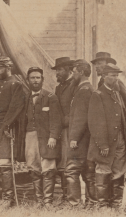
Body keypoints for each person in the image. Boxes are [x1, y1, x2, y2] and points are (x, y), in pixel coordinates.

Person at [87, 64, 126, 208]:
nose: (116, 78)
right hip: (105, 141)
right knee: (103, 170)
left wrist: (124, 138)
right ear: (104, 76)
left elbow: (124, 116)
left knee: (119, 171)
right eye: (112, 75)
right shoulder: (98, 95)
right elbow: (95, 122)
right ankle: (102, 204)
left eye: (117, 75)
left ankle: (116, 203)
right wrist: (103, 144)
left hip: (120, 139)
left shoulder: (117, 93)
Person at [24, 67, 62, 207]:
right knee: (33, 168)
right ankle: (39, 200)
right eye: (32, 78)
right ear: (28, 80)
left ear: (42, 80)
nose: (35, 80)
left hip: (47, 138)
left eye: (38, 78)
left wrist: (53, 137)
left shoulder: (50, 97)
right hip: (30, 137)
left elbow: (56, 120)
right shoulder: (25, 97)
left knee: (48, 168)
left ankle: (48, 201)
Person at [0, 56, 26, 208]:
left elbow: (16, 108)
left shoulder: (16, 84)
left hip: (8, 128)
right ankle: (6, 195)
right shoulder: (0, 85)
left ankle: (8, 198)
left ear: (7, 68)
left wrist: (6, 126)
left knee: (5, 162)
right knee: (0, 161)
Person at [65, 59, 97, 208]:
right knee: (88, 173)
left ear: (83, 72)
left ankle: (74, 204)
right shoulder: (86, 88)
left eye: (75, 71)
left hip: (80, 140)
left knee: (72, 170)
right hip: (87, 140)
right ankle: (92, 203)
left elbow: (80, 117)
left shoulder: (84, 91)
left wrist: (74, 138)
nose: (73, 75)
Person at [53, 56, 77, 202]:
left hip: (71, 129)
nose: (57, 73)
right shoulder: (58, 87)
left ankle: (71, 196)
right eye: (57, 70)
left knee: (70, 162)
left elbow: (78, 109)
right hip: (60, 130)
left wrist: (66, 122)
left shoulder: (75, 85)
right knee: (61, 162)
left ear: (68, 70)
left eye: (60, 69)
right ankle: (64, 195)